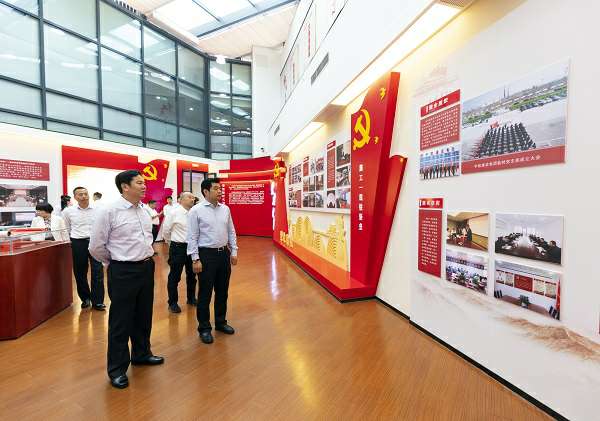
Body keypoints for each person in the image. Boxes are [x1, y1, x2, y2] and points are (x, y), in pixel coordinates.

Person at [89, 170, 164, 389]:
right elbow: (95, 247)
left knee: (143, 315)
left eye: (144, 182)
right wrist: (115, 262)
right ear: (125, 186)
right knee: (121, 321)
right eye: (139, 183)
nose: (144, 186)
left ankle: (141, 354)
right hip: (123, 270)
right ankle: (117, 369)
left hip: (146, 267)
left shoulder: (144, 210)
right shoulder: (109, 211)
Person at [187, 178, 238, 345]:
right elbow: (192, 236)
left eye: (220, 188)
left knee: (222, 291)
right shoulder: (196, 211)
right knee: (205, 293)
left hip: (223, 254)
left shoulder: (225, 209)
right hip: (206, 255)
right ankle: (204, 328)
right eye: (216, 188)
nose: (220, 191)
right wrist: (195, 258)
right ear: (205, 191)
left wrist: (234, 251)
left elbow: (231, 231)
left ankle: (221, 322)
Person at [62, 187, 105, 310]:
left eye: (86, 194)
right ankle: (85, 298)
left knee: (98, 272)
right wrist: (70, 242)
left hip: (95, 242)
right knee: (80, 272)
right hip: (78, 242)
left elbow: (103, 226)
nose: (84, 196)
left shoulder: (98, 209)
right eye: (80, 194)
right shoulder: (68, 211)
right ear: (75, 197)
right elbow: (66, 228)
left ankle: (98, 301)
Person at [163, 192, 197, 313]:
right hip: (178, 248)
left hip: (192, 248)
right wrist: (171, 243)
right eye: (189, 197)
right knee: (175, 276)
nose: (192, 199)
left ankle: (191, 298)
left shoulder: (194, 213)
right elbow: (166, 231)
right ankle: (172, 303)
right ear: (181, 200)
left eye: (193, 197)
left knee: (192, 275)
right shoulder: (174, 213)